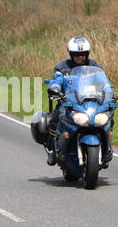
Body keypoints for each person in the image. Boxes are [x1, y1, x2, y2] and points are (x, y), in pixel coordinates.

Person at [46, 37, 113, 166]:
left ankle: (107, 148)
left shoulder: (94, 66)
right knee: (55, 119)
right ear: (71, 54)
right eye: (77, 54)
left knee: (109, 117)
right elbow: (57, 80)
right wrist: (55, 88)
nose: (80, 57)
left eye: (83, 54)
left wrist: (110, 92)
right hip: (68, 102)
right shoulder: (62, 68)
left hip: (91, 102)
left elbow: (104, 82)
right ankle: (53, 151)